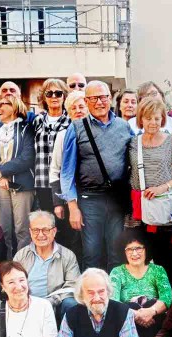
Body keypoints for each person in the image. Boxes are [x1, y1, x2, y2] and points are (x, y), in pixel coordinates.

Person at [60, 81, 132, 272]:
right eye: (93, 98)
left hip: (116, 199)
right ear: (86, 101)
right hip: (89, 199)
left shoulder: (124, 126)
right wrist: (72, 207)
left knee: (116, 252)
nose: (99, 102)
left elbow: (139, 153)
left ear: (110, 98)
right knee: (92, 253)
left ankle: (113, 290)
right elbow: (66, 172)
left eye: (103, 97)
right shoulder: (76, 128)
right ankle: (92, 289)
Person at [127, 98, 172, 287]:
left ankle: (169, 291)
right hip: (139, 206)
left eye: (157, 118)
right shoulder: (133, 142)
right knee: (142, 251)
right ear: (140, 119)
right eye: (148, 118)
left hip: (163, 204)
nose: (153, 122)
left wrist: (160, 188)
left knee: (166, 252)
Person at [110, 229, 172, 337]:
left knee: (151, 303)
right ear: (123, 251)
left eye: (138, 248)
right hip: (128, 320)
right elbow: (112, 300)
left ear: (146, 249)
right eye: (129, 249)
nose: (134, 253)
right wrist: (136, 314)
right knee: (130, 306)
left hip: (154, 319)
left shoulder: (158, 270)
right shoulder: (117, 272)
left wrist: (150, 311)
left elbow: (167, 297)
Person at [0, 93, 36, 257]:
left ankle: (23, 264)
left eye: (3, 104)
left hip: (22, 185)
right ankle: (5, 265)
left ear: (14, 107)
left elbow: (27, 157)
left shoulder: (27, 129)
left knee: (22, 229)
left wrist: (3, 171)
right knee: (2, 229)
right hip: (1, 185)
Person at [13, 210, 80, 319]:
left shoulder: (68, 256)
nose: (40, 234)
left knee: (71, 304)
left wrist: (49, 302)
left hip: (55, 305)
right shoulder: (21, 255)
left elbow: (72, 287)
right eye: (36, 230)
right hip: (24, 302)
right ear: (30, 232)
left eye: (45, 230)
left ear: (54, 231)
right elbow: (13, 281)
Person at [49, 90, 88, 260]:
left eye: (81, 106)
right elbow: (55, 170)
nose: (78, 110)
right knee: (74, 242)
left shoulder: (97, 133)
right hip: (71, 199)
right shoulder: (63, 135)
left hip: (93, 197)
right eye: (73, 108)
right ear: (68, 112)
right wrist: (58, 203)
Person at [32, 79, 71, 213]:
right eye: (49, 94)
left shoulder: (70, 121)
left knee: (66, 222)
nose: (54, 97)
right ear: (44, 97)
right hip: (42, 181)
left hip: (64, 182)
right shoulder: (37, 120)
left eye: (58, 93)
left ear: (64, 96)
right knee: (47, 220)